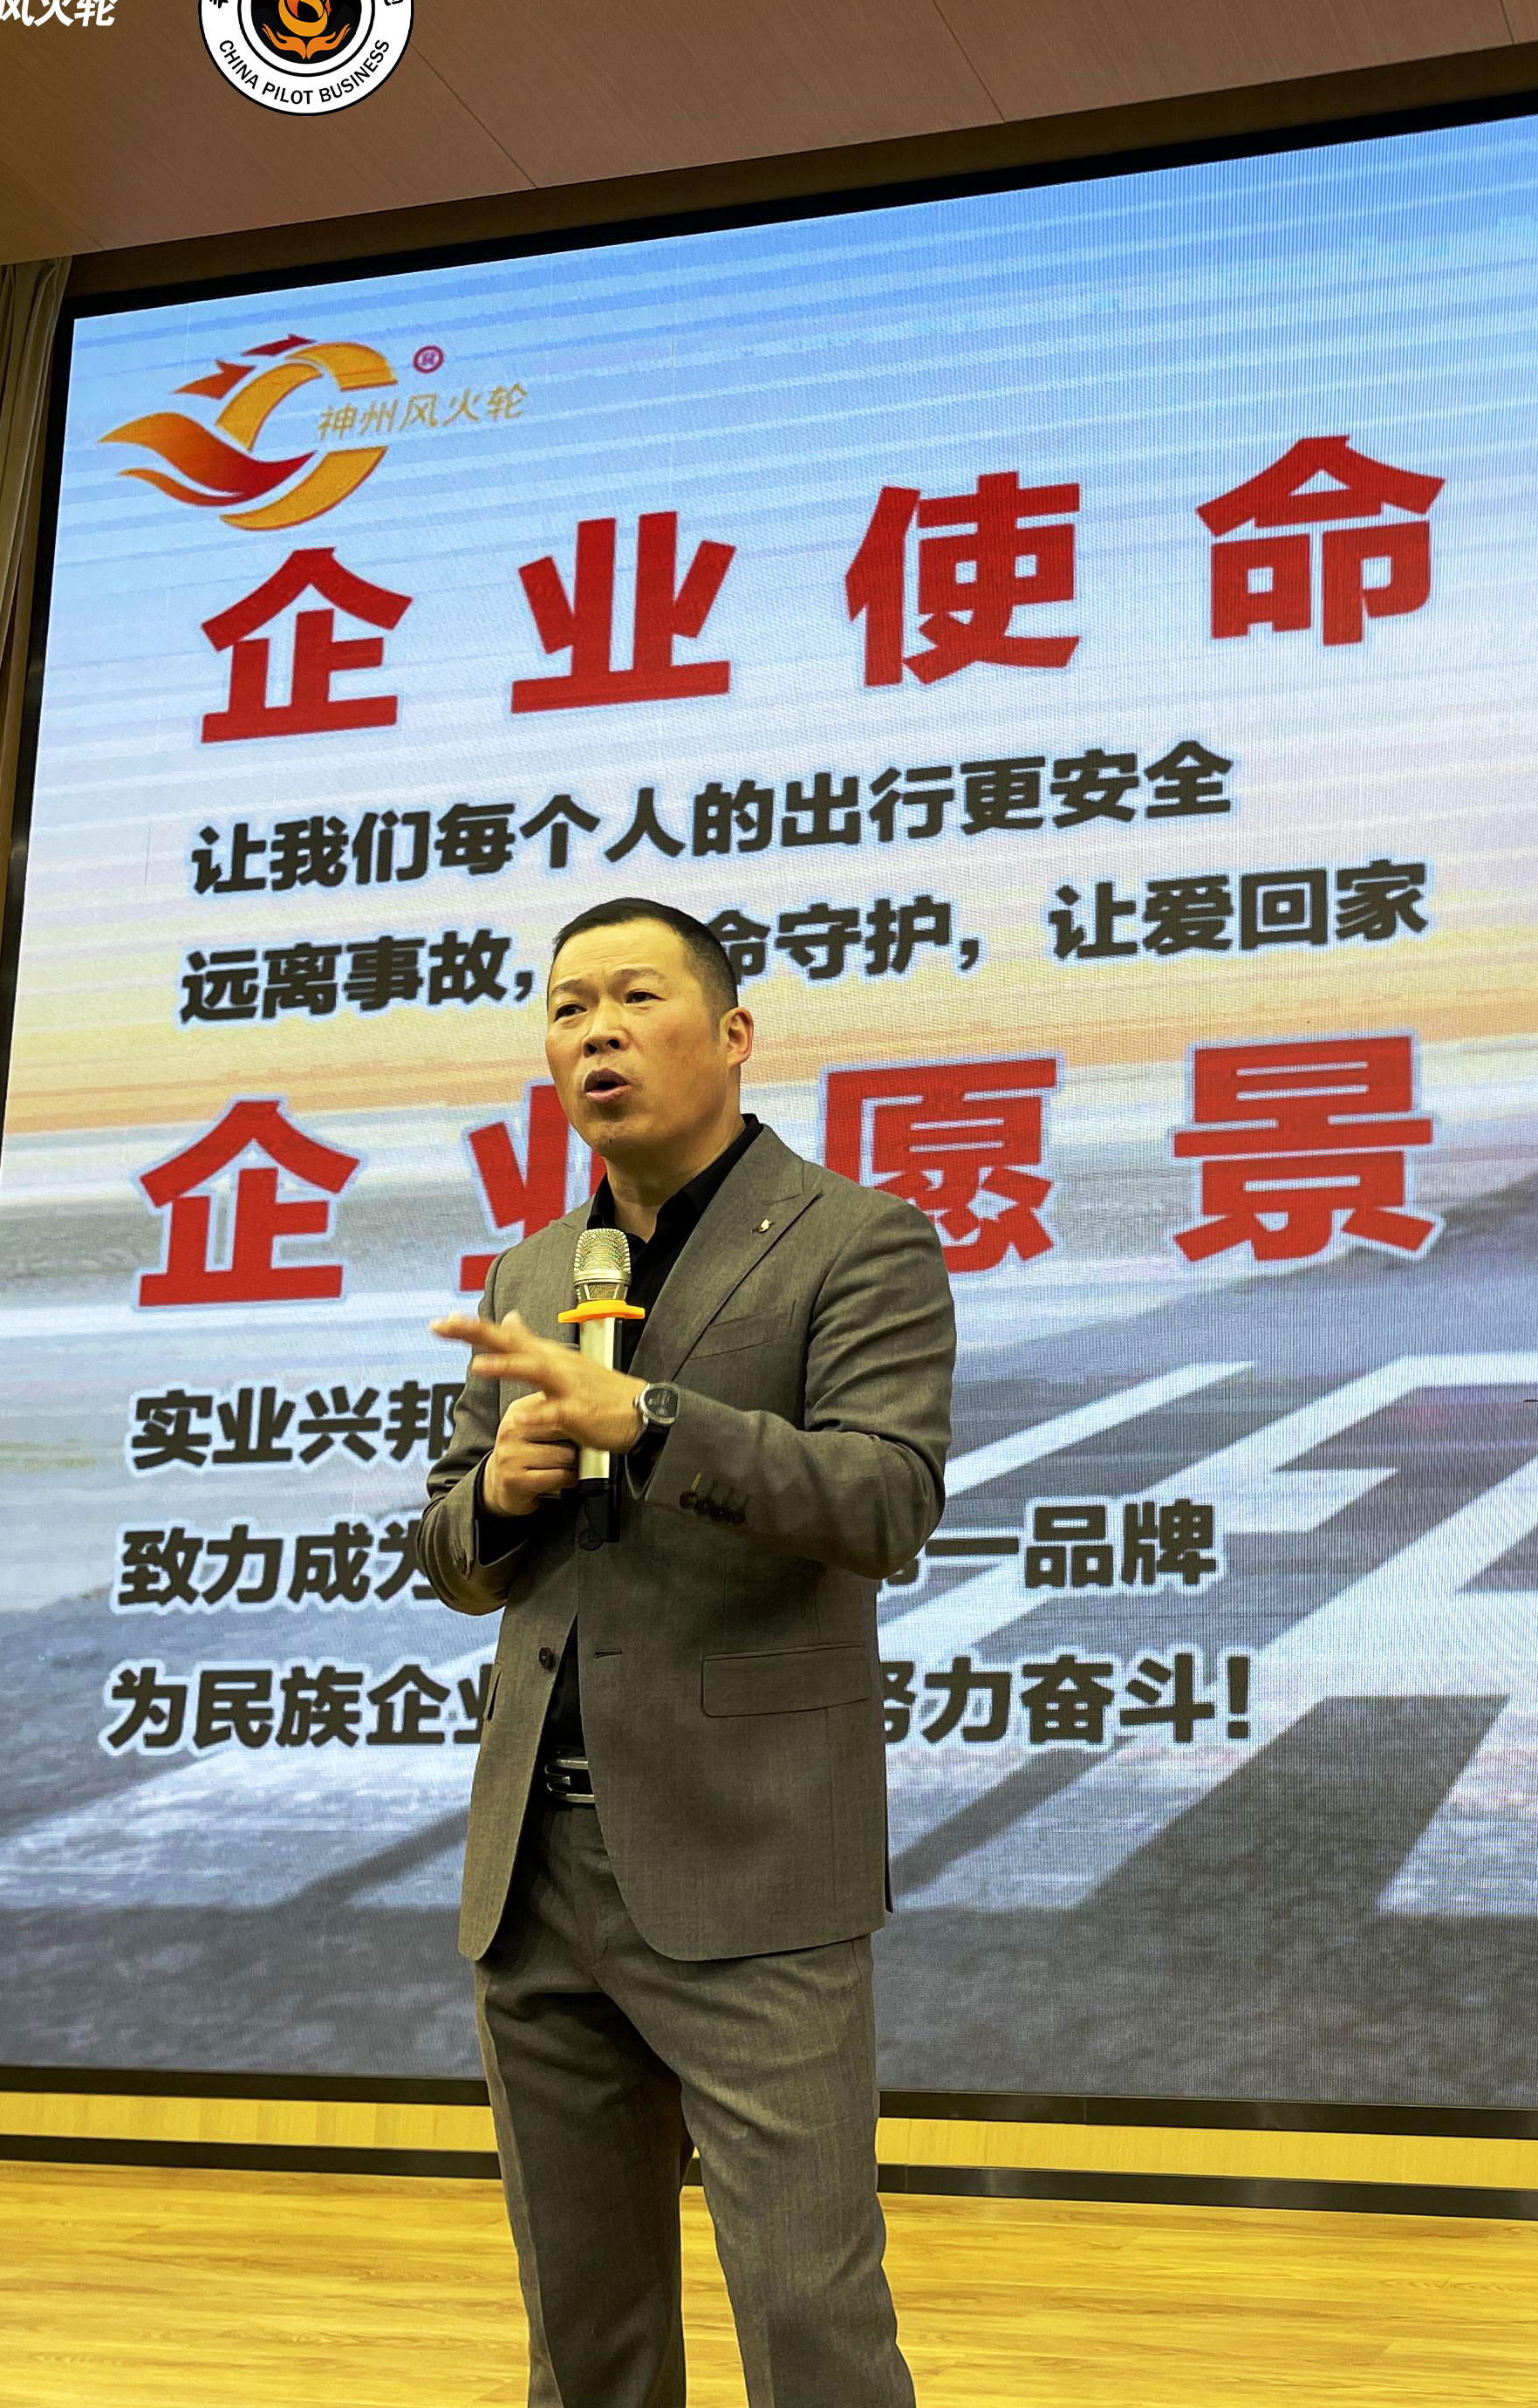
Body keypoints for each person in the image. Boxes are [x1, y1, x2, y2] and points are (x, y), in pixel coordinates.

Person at [421, 894, 953, 2408]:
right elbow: (450, 1554)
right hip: (537, 1867)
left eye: (634, 998)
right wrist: (496, 1496)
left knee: (808, 2314)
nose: (595, 1032)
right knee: (585, 2334)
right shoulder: (534, 1274)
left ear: (732, 1035)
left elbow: (886, 1499)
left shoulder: (857, 1239)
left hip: (753, 1860)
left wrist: (647, 1422)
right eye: (567, 1008)